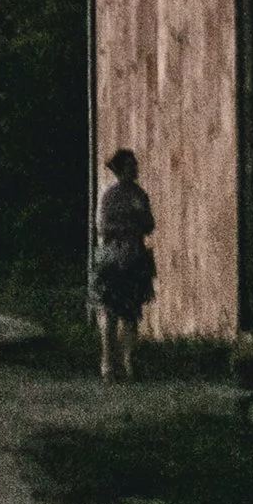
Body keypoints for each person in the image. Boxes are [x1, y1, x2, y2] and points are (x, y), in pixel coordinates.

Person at [89, 146, 156, 382]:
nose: (134, 170)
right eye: (130, 166)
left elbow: (149, 224)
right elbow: (102, 228)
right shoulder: (109, 196)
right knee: (109, 313)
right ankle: (108, 364)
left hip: (134, 259)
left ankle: (130, 364)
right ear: (120, 170)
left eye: (135, 166)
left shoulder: (140, 195)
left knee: (130, 313)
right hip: (112, 260)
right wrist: (128, 228)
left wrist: (140, 221)